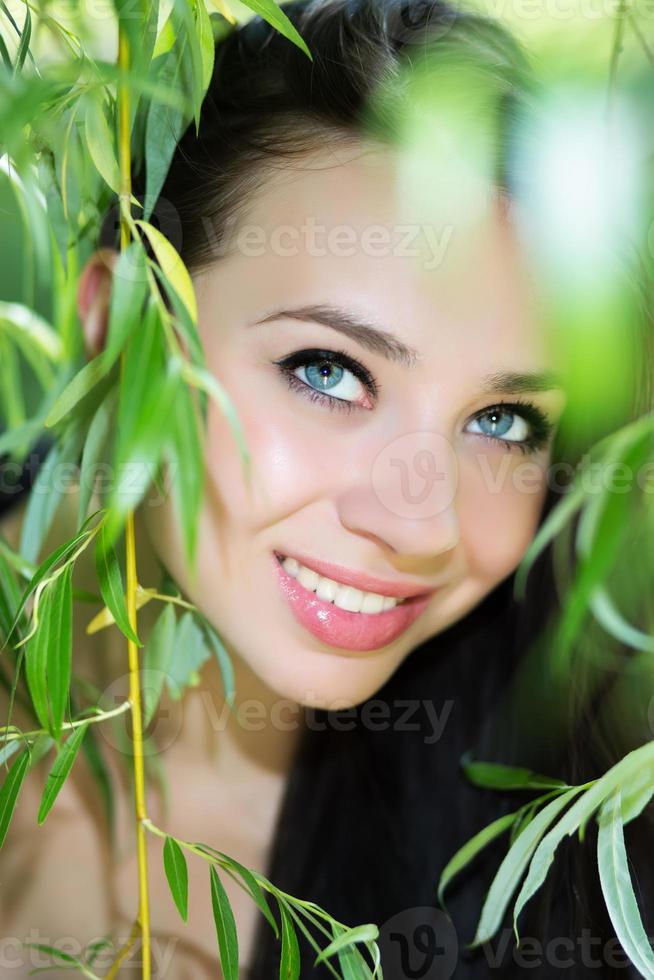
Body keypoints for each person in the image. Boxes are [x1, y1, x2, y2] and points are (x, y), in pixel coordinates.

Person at [1, 0, 652, 976]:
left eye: (503, 420)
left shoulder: (567, 809)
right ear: (119, 329)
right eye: (330, 370)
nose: (424, 522)